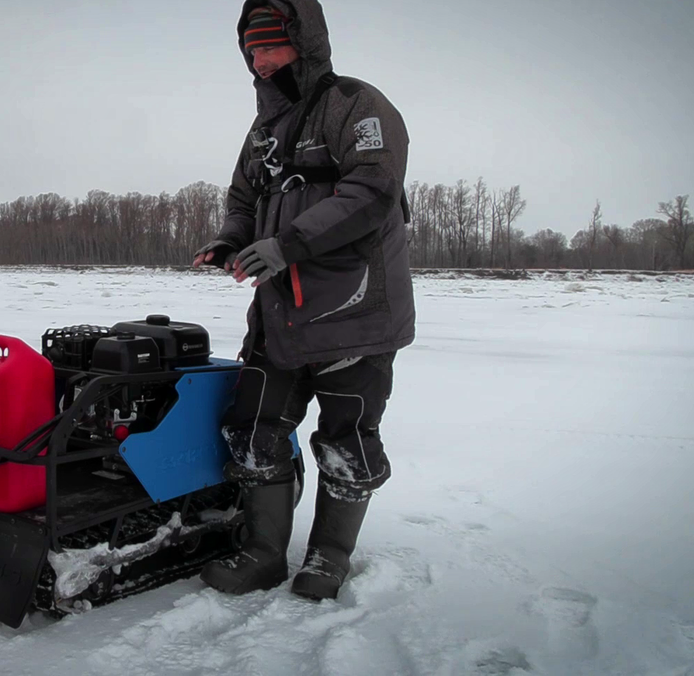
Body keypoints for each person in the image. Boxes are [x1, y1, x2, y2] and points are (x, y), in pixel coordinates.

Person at [192, 0, 414, 601]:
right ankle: (264, 554)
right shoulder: (263, 128)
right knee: (253, 428)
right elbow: (242, 198)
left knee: (347, 441)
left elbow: (372, 192)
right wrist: (231, 240)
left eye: (269, 46)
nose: (258, 61)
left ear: (304, 43)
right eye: (251, 51)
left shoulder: (357, 105)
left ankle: (328, 559)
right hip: (280, 318)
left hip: (355, 314)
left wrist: (287, 244)